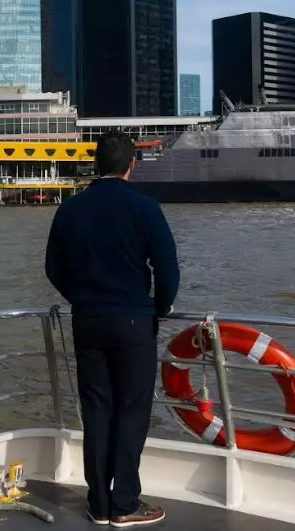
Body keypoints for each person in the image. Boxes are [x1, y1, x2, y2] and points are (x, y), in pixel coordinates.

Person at [45, 131, 179, 528]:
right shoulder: (145, 208)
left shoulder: (70, 209)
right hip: (134, 321)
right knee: (132, 411)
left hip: (87, 320)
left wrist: (81, 297)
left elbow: (53, 268)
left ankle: (99, 503)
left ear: (95, 163)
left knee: (97, 410)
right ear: (132, 164)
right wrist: (160, 307)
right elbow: (167, 269)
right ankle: (124, 503)